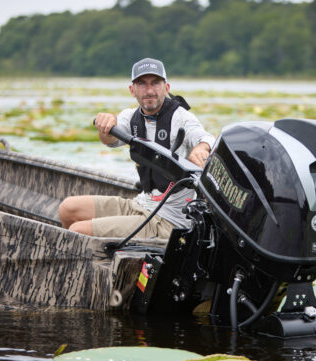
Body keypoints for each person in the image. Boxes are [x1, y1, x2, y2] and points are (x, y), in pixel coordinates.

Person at [58, 58, 215, 239]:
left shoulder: (182, 118)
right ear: (132, 90)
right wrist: (106, 124)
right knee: (67, 209)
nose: (149, 90)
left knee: (77, 231)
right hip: (140, 204)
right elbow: (108, 140)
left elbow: (205, 138)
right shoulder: (130, 116)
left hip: (168, 221)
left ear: (167, 87)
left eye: (155, 83)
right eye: (142, 84)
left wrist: (201, 149)